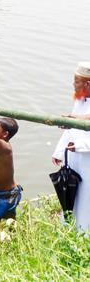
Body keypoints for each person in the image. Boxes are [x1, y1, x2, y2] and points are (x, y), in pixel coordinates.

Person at [52, 61, 90, 231]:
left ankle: (84, 231)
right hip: (74, 157)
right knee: (71, 190)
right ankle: (71, 226)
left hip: (86, 158)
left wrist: (81, 145)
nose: (73, 84)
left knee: (86, 196)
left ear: (87, 83)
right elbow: (72, 126)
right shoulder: (80, 100)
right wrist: (59, 151)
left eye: (76, 81)